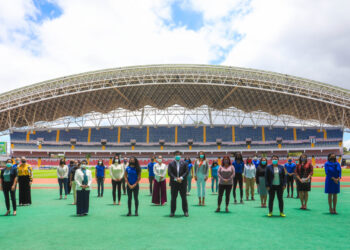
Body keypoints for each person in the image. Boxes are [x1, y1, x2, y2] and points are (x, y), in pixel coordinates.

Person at [168, 151, 189, 217]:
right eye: (176, 155)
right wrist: (176, 178)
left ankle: (185, 211)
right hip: (174, 183)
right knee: (173, 198)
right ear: (174, 155)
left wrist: (181, 178)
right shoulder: (171, 164)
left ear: (181, 155)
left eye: (179, 155)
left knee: (184, 198)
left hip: (182, 183)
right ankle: (172, 212)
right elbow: (169, 173)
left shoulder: (185, 163)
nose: (178, 156)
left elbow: (186, 172)